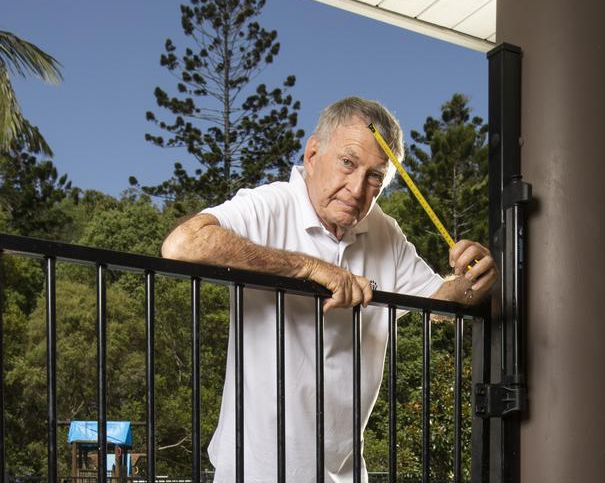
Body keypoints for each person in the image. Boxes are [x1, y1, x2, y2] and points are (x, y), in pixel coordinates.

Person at [161, 96, 497, 483]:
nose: (356, 189)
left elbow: (440, 303)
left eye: (375, 176)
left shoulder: (384, 231)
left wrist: (476, 280)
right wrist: (310, 268)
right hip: (254, 472)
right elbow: (182, 245)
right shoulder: (272, 204)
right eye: (348, 163)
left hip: (345, 474)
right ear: (313, 152)